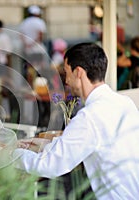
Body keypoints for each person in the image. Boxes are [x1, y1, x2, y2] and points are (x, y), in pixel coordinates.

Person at [14, 43, 139, 199]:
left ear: (78, 72)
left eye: (67, 73)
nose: (66, 81)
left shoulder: (89, 116)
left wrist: (13, 155)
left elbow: (51, 165)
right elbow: (79, 142)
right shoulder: (125, 102)